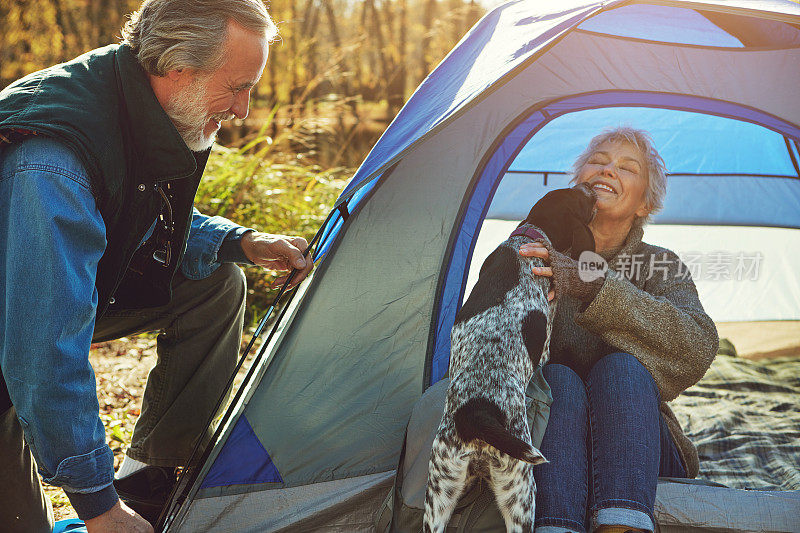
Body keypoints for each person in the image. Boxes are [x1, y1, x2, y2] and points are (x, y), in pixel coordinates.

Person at [0, 1, 314, 531]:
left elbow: (134, 213)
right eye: (236, 87)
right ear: (179, 68)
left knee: (217, 284)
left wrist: (241, 242)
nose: (243, 109)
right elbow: (41, 345)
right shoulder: (53, 163)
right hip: (16, 332)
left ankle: (147, 478)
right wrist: (97, 506)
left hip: (28, 302)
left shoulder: (134, 94)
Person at [519, 127, 718, 533]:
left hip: (641, 441)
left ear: (645, 203)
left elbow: (699, 343)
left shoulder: (660, 264)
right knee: (557, 378)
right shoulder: (537, 253)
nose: (608, 169)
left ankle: (622, 526)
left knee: (621, 370)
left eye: (627, 167)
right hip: (554, 437)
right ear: (579, 181)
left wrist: (595, 286)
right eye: (598, 160)